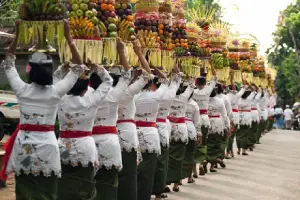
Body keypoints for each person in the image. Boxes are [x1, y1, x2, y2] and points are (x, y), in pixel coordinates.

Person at [0, 20, 85, 199]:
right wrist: (69, 37)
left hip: (25, 146)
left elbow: (8, 62)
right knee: (47, 190)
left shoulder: (22, 90)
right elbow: (78, 67)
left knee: (25, 187)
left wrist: (17, 35)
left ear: (29, 71)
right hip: (48, 147)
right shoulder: (55, 92)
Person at [55, 60, 113, 199]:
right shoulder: (91, 100)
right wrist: (96, 68)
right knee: (85, 186)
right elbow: (108, 81)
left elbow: (55, 79)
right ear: (86, 89)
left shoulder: (60, 98)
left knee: (64, 184)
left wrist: (64, 67)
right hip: (85, 148)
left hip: (63, 146)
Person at [89, 39, 131, 200]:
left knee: (89, 182)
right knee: (108, 182)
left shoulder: (85, 96)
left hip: (89, 142)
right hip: (109, 143)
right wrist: (121, 51)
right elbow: (127, 75)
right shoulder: (113, 95)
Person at [117, 40, 152, 200]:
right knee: (129, 173)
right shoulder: (127, 92)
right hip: (126, 135)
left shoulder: (101, 92)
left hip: (104, 137)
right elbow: (148, 74)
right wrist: (138, 52)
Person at [134, 68, 168, 200]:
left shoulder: (133, 95)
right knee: (147, 172)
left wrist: (135, 75)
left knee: (134, 170)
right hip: (150, 135)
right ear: (150, 84)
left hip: (134, 134)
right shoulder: (156, 96)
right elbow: (167, 82)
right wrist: (158, 71)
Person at [152, 66, 181, 200]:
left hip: (146, 130)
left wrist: (154, 69)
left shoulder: (150, 95)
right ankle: (159, 190)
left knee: (149, 161)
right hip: (162, 128)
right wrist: (175, 70)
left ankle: (148, 188)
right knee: (162, 161)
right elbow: (176, 81)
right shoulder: (169, 95)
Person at [166, 81, 194, 191]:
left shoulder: (168, 97)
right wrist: (190, 79)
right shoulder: (184, 98)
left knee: (168, 157)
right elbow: (191, 86)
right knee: (179, 158)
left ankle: (165, 183)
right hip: (181, 129)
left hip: (169, 129)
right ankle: (176, 184)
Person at [192, 61, 217, 175]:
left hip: (193, 120)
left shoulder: (193, 91)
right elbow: (215, 77)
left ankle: (193, 172)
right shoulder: (207, 91)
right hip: (205, 119)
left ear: (196, 83)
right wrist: (211, 64)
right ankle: (202, 163)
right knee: (203, 143)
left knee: (192, 145)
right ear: (205, 83)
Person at [206, 86, 229, 172]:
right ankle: (212, 165)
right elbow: (225, 115)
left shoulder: (204, 100)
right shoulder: (220, 101)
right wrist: (227, 126)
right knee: (215, 144)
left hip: (206, 122)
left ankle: (204, 161)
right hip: (217, 123)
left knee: (206, 143)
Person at [181, 91, 200, 183]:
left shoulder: (177, 101)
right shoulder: (194, 104)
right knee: (190, 154)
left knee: (179, 155)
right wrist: (199, 134)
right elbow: (197, 121)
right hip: (190, 130)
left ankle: (178, 181)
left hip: (178, 130)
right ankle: (189, 176)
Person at [226, 73, 245, 158]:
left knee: (229, 135)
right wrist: (242, 76)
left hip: (228, 116)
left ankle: (230, 152)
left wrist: (231, 78)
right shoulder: (237, 96)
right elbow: (244, 87)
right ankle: (227, 152)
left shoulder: (226, 96)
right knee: (231, 136)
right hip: (234, 116)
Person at [236, 87, 256, 156]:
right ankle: (244, 150)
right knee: (245, 134)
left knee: (238, 134)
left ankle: (238, 150)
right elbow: (254, 92)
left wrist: (243, 88)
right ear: (248, 95)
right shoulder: (249, 99)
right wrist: (250, 86)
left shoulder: (238, 99)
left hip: (239, 116)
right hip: (246, 117)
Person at [216, 82, 233, 163]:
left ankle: (212, 161)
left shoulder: (208, 96)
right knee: (223, 140)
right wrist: (230, 124)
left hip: (210, 122)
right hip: (222, 122)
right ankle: (219, 157)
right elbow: (228, 112)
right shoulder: (225, 98)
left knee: (213, 141)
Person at [248, 86, 261, 151]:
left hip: (248, 113)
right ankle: (250, 143)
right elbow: (260, 92)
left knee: (250, 129)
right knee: (253, 129)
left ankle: (249, 143)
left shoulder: (247, 97)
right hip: (252, 113)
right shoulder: (256, 97)